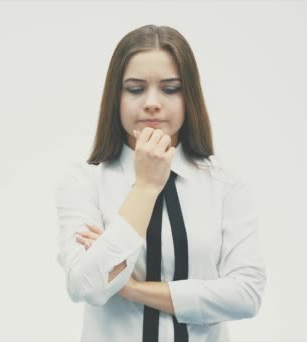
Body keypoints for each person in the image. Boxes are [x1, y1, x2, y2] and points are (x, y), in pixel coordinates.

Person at [55, 25, 267, 342]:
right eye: (135, 89)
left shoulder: (225, 184)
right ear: (116, 96)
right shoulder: (85, 180)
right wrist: (145, 188)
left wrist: (132, 288)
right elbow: (87, 287)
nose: (152, 103)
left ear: (189, 96)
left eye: (170, 89)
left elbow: (246, 294)